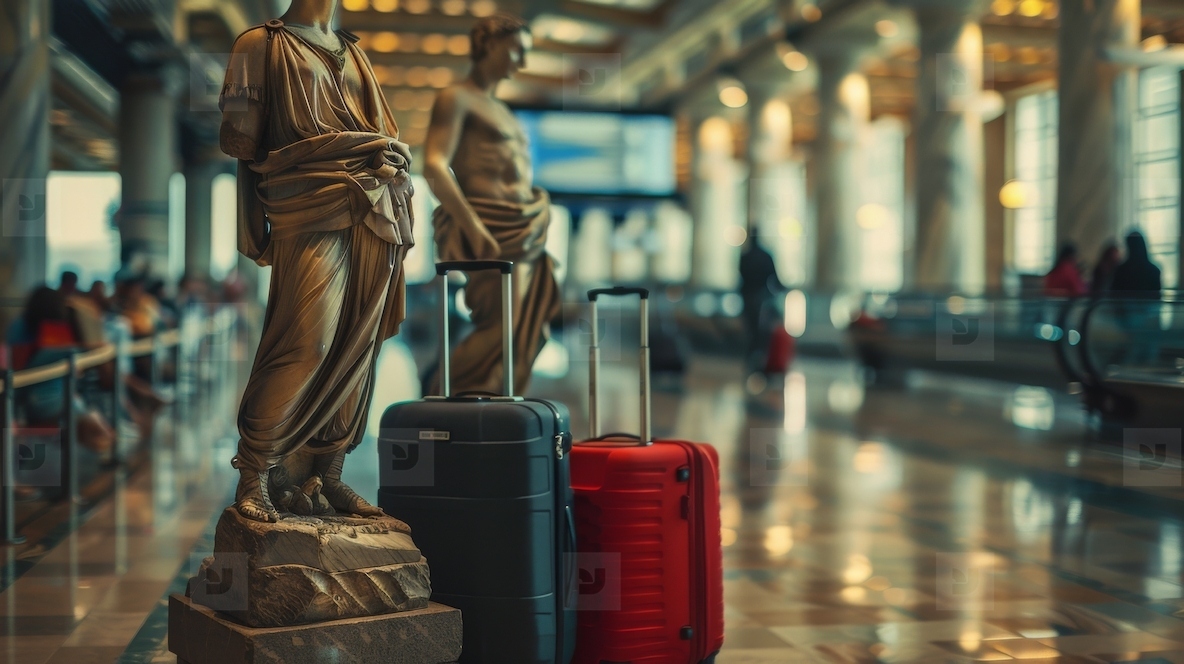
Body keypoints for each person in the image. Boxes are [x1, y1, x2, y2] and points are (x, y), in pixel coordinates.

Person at [219, 0, 415, 522]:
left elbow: (381, 126)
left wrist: (389, 154)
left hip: (374, 207)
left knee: (359, 344)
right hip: (309, 202)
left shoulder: (354, 51)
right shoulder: (258, 44)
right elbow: (238, 138)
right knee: (307, 341)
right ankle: (255, 471)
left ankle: (328, 476)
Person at [422, 13, 560, 396]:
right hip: (489, 226)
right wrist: (473, 227)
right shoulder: (457, 97)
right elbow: (433, 164)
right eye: (516, 50)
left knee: (522, 333)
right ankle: (438, 399)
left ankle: (499, 405)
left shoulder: (505, 111)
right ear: (488, 44)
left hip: (523, 229)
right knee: (502, 328)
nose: (522, 62)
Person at [1111, 231, 1162, 366]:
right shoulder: (1153, 270)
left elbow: (1114, 295)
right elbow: (1157, 297)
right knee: (1148, 355)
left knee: (1130, 353)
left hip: (1127, 318)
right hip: (1149, 317)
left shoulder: (1121, 270)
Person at [738, 230, 784, 371]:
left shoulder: (746, 256)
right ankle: (759, 359)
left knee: (752, 331)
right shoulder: (765, 256)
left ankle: (752, 359)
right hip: (761, 298)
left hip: (749, 298)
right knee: (761, 331)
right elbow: (775, 278)